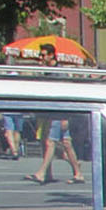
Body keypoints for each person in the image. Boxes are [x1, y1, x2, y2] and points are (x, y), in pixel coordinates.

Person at [28, 42, 85, 184]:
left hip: (58, 113)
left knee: (50, 142)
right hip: (49, 113)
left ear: (51, 55)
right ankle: (77, 173)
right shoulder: (46, 71)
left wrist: (65, 116)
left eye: (43, 55)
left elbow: (64, 93)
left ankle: (41, 173)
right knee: (66, 143)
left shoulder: (59, 72)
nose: (41, 58)